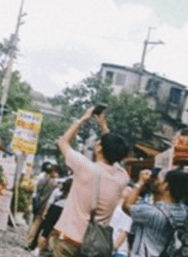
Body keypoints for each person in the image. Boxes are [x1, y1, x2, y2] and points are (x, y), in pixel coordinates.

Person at [51, 106, 130, 257]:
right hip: (96, 247)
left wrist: (84, 119)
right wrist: (103, 127)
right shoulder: (122, 177)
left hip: (69, 239)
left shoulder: (85, 167)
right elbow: (115, 155)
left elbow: (63, 142)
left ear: (99, 149)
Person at [121, 169, 188, 257]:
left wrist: (140, 183)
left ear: (165, 185)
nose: (156, 182)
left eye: (159, 180)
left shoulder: (151, 212)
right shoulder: (187, 212)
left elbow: (126, 205)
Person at [28, 163, 61, 249]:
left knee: (35, 225)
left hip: (39, 205)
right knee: (38, 226)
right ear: (53, 172)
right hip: (46, 207)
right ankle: (34, 243)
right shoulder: (55, 183)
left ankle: (30, 242)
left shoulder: (43, 180)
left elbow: (37, 191)